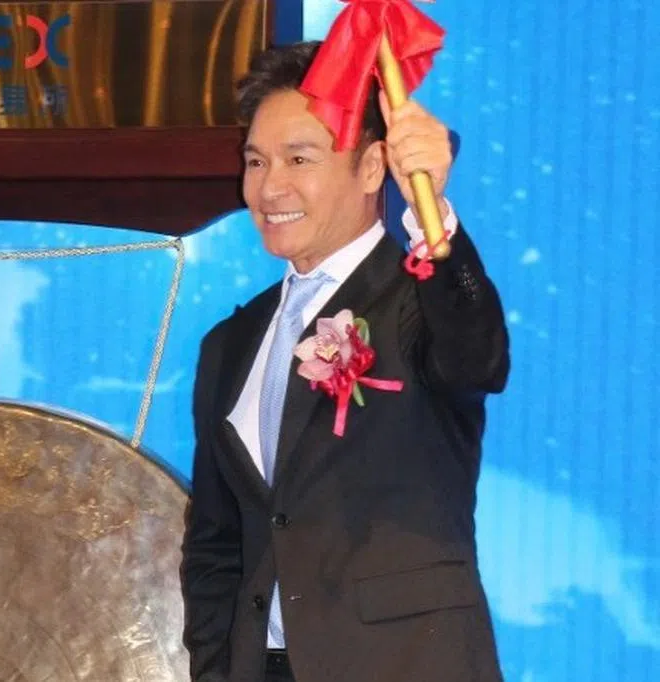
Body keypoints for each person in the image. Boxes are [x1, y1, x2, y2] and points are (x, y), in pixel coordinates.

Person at [180, 40, 510, 682]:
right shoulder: (230, 342)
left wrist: (434, 219)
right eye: (256, 161)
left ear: (372, 166)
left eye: (299, 158)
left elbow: (479, 359)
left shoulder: (419, 300)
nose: (270, 187)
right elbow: (216, 543)